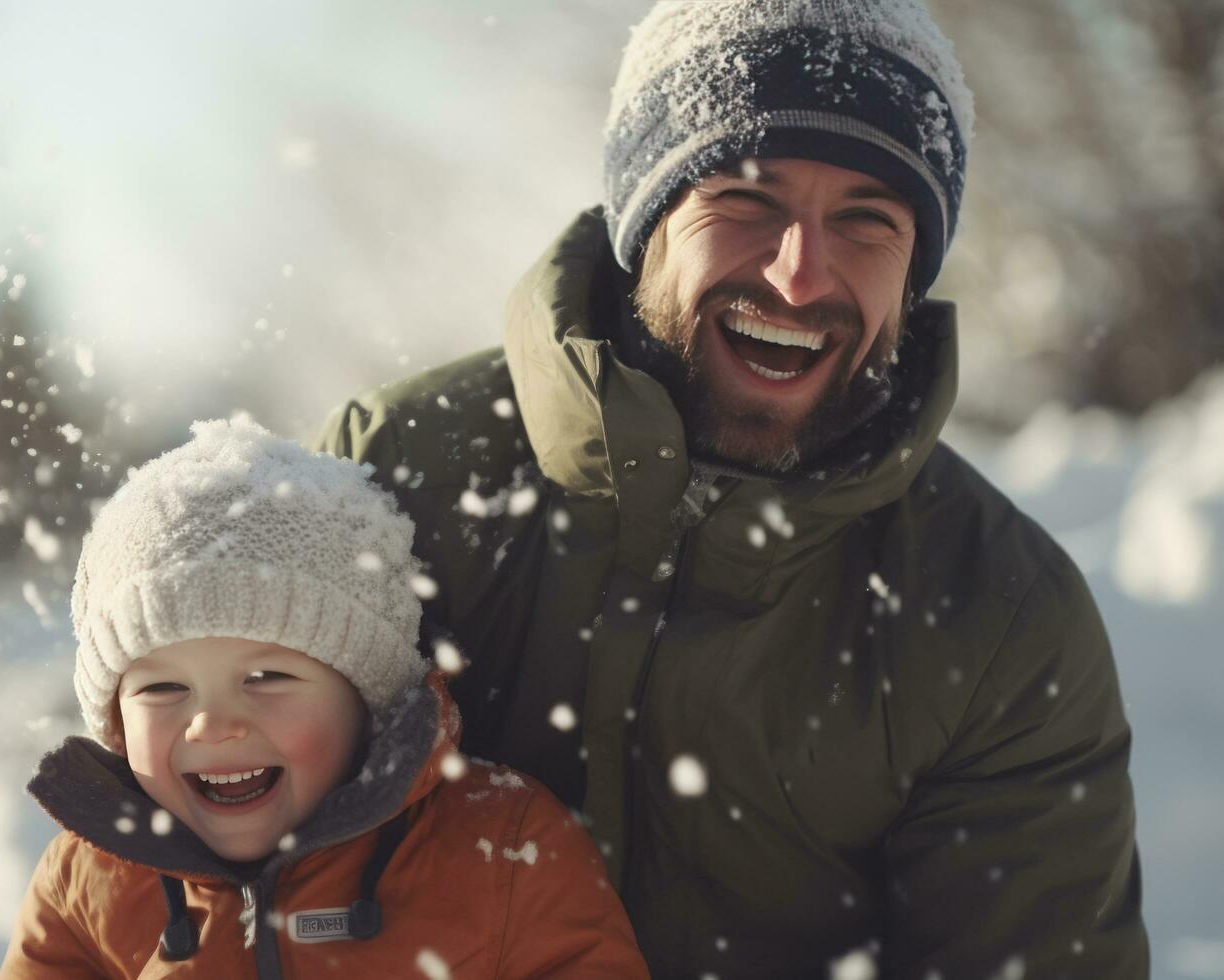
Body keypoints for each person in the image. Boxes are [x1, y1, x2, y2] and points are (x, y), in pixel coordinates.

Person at [312, 2, 1149, 977]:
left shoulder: (996, 610)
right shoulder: (397, 472)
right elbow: (190, 852)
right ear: (646, 221)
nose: (800, 275)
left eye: (867, 221)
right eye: (745, 202)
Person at [0, 419, 649, 978]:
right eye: (163, 688)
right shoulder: (91, 882)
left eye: (266, 679)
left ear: (364, 694)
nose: (212, 724)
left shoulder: (500, 846)